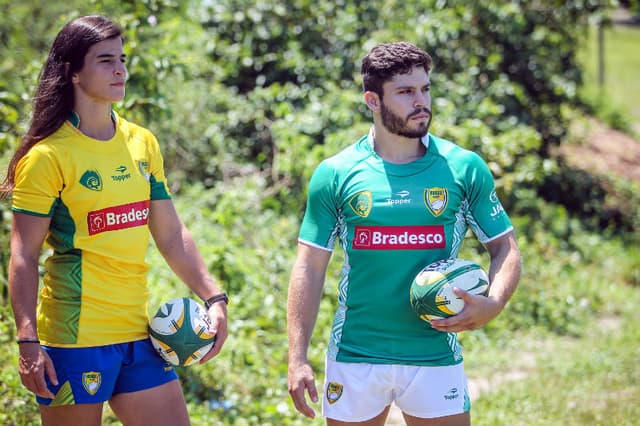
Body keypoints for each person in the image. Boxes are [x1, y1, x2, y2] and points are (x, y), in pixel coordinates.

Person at [0, 15, 228, 426]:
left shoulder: (142, 142)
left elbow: (171, 234)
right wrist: (27, 339)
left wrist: (214, 296)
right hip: (74, 340)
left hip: (141, 334)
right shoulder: (47, 157)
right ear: (72, 72)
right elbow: (23, 254)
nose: (120, 69)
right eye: (105, 60)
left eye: (121, 58)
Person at [287, 41, 522, 426]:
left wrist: (494, 302)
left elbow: (505, 248)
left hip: (434, 354)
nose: (421, 101)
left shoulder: (463, 168)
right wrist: (296, 358)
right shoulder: (336, 173)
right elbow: (309, 267)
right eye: (406, 91)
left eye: (426, 89)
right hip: (356, 354)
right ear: (373, 100)